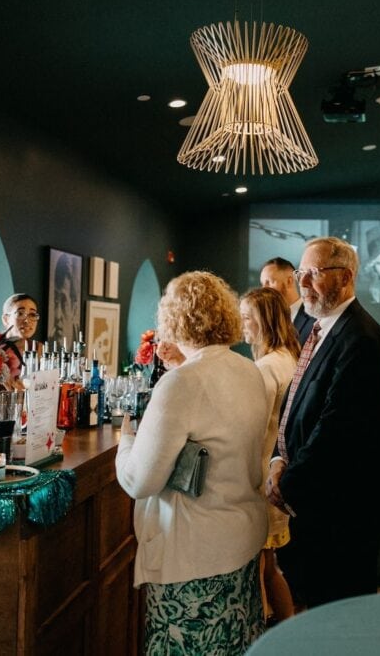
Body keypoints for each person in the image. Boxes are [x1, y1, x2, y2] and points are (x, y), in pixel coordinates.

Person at [115, 271, 268, 653]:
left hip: (196, 552)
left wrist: (125, 441)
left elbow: (139, 481)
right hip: (241, 537)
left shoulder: (183, 382)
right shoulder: (247, 370)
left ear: (173, 318)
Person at [266, 236, 380, 608]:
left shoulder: (361, 336)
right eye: (302, 273)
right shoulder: (312, 327)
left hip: (342, 512)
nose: (302, 282)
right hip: (312, 503)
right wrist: (277, 458)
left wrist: (288, 482)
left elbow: (338, 427)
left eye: (314, 274)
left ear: (346, 278)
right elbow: (293, 404)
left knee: (339, 619)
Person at [240, 287, 300, 624]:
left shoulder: (265, 367)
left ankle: (270, 631)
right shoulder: (289, 357)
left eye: (249, 317)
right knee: (268, 566)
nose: (243, 323)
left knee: (261, 568)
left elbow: (253, 427)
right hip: (276, 471)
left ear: (265, 321)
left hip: (261, 475)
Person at [260, 256, 313, 331]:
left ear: (289, 281)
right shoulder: (270, 322)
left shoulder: (314, 318)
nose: (264, 289)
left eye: (269, 282)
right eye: (262, 284)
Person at [49, 252, 80, 343]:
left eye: (63, 303)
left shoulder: (82, 346)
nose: (57, 315)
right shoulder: (45, 348)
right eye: (56, 302)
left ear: (74, 309)